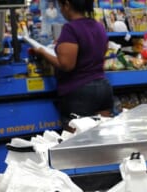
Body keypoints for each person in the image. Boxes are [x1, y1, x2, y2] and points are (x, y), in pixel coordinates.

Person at [29, 0, 113, 131]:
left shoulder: (71, 28)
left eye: (61, 6)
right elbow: (101, 50)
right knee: (103, 137)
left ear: (67, 5)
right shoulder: (98, 26)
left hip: (79, 91)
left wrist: (42, 53)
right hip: (103, 87)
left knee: (76, 143)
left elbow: (66, 65)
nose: (61, 10)